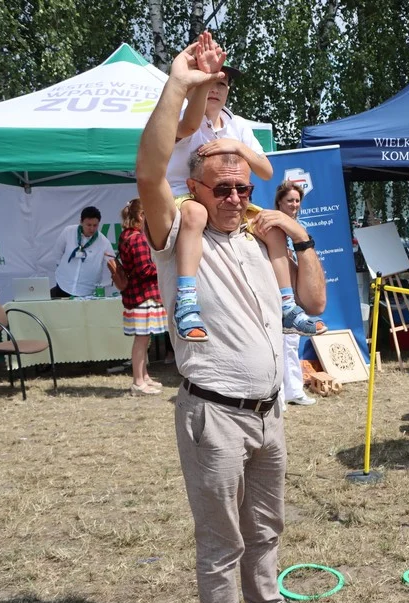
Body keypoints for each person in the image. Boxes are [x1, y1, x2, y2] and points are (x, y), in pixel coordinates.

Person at [136, 35, 330, 603]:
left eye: (244, 189)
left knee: (267, 522)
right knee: (221, 538)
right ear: (195, 189)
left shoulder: (254, 237)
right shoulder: (176, 235)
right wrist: (179, 85)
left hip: (269, 409)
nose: (236, 198)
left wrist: (298, 239)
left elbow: (314, 304)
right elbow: (148, 167)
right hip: (214, 412)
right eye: (222, 190)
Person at [166, 33, 323, 343]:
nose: (215, 89)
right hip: (189, 196)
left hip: (227, 200)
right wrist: (201, 80)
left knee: (271, 225)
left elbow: (265, 171)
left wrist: (237, 146)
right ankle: (186, 301)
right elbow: (188, 125)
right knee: (196, 215)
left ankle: (287, 306)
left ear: (229, 92)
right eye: (208, 83)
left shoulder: (237, 125)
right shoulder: (186, 118)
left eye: (222, 84)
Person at [117, 199, 168, 396]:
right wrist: (164, 267)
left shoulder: (126, 236)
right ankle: (138, 381)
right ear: (140, 216)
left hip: (138, 295)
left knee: (144, 340)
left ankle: (144, 376)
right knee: (141, 340)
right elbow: (144, 270)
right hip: (142, 296)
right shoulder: (137, 238)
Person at [275, 181, 317, 408]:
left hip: (296, 290)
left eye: (297, 200)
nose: (294, 204)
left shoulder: (299, 226)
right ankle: (278, 395)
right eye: (289, 200)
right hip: (278, 291)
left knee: (292, 341)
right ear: (280, 201)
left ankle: (294, 390)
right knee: (277, 343)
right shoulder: (273, 226)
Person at [51, 206, 114, 298]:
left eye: (95, 225)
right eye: (88, 225)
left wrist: (103, 285)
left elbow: (111, 266)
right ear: (81, 222)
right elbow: (57, 252)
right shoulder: (68, 232)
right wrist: (63, 269)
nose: (92, 229)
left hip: (87, 292)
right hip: (64, 285)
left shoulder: (104, 243)